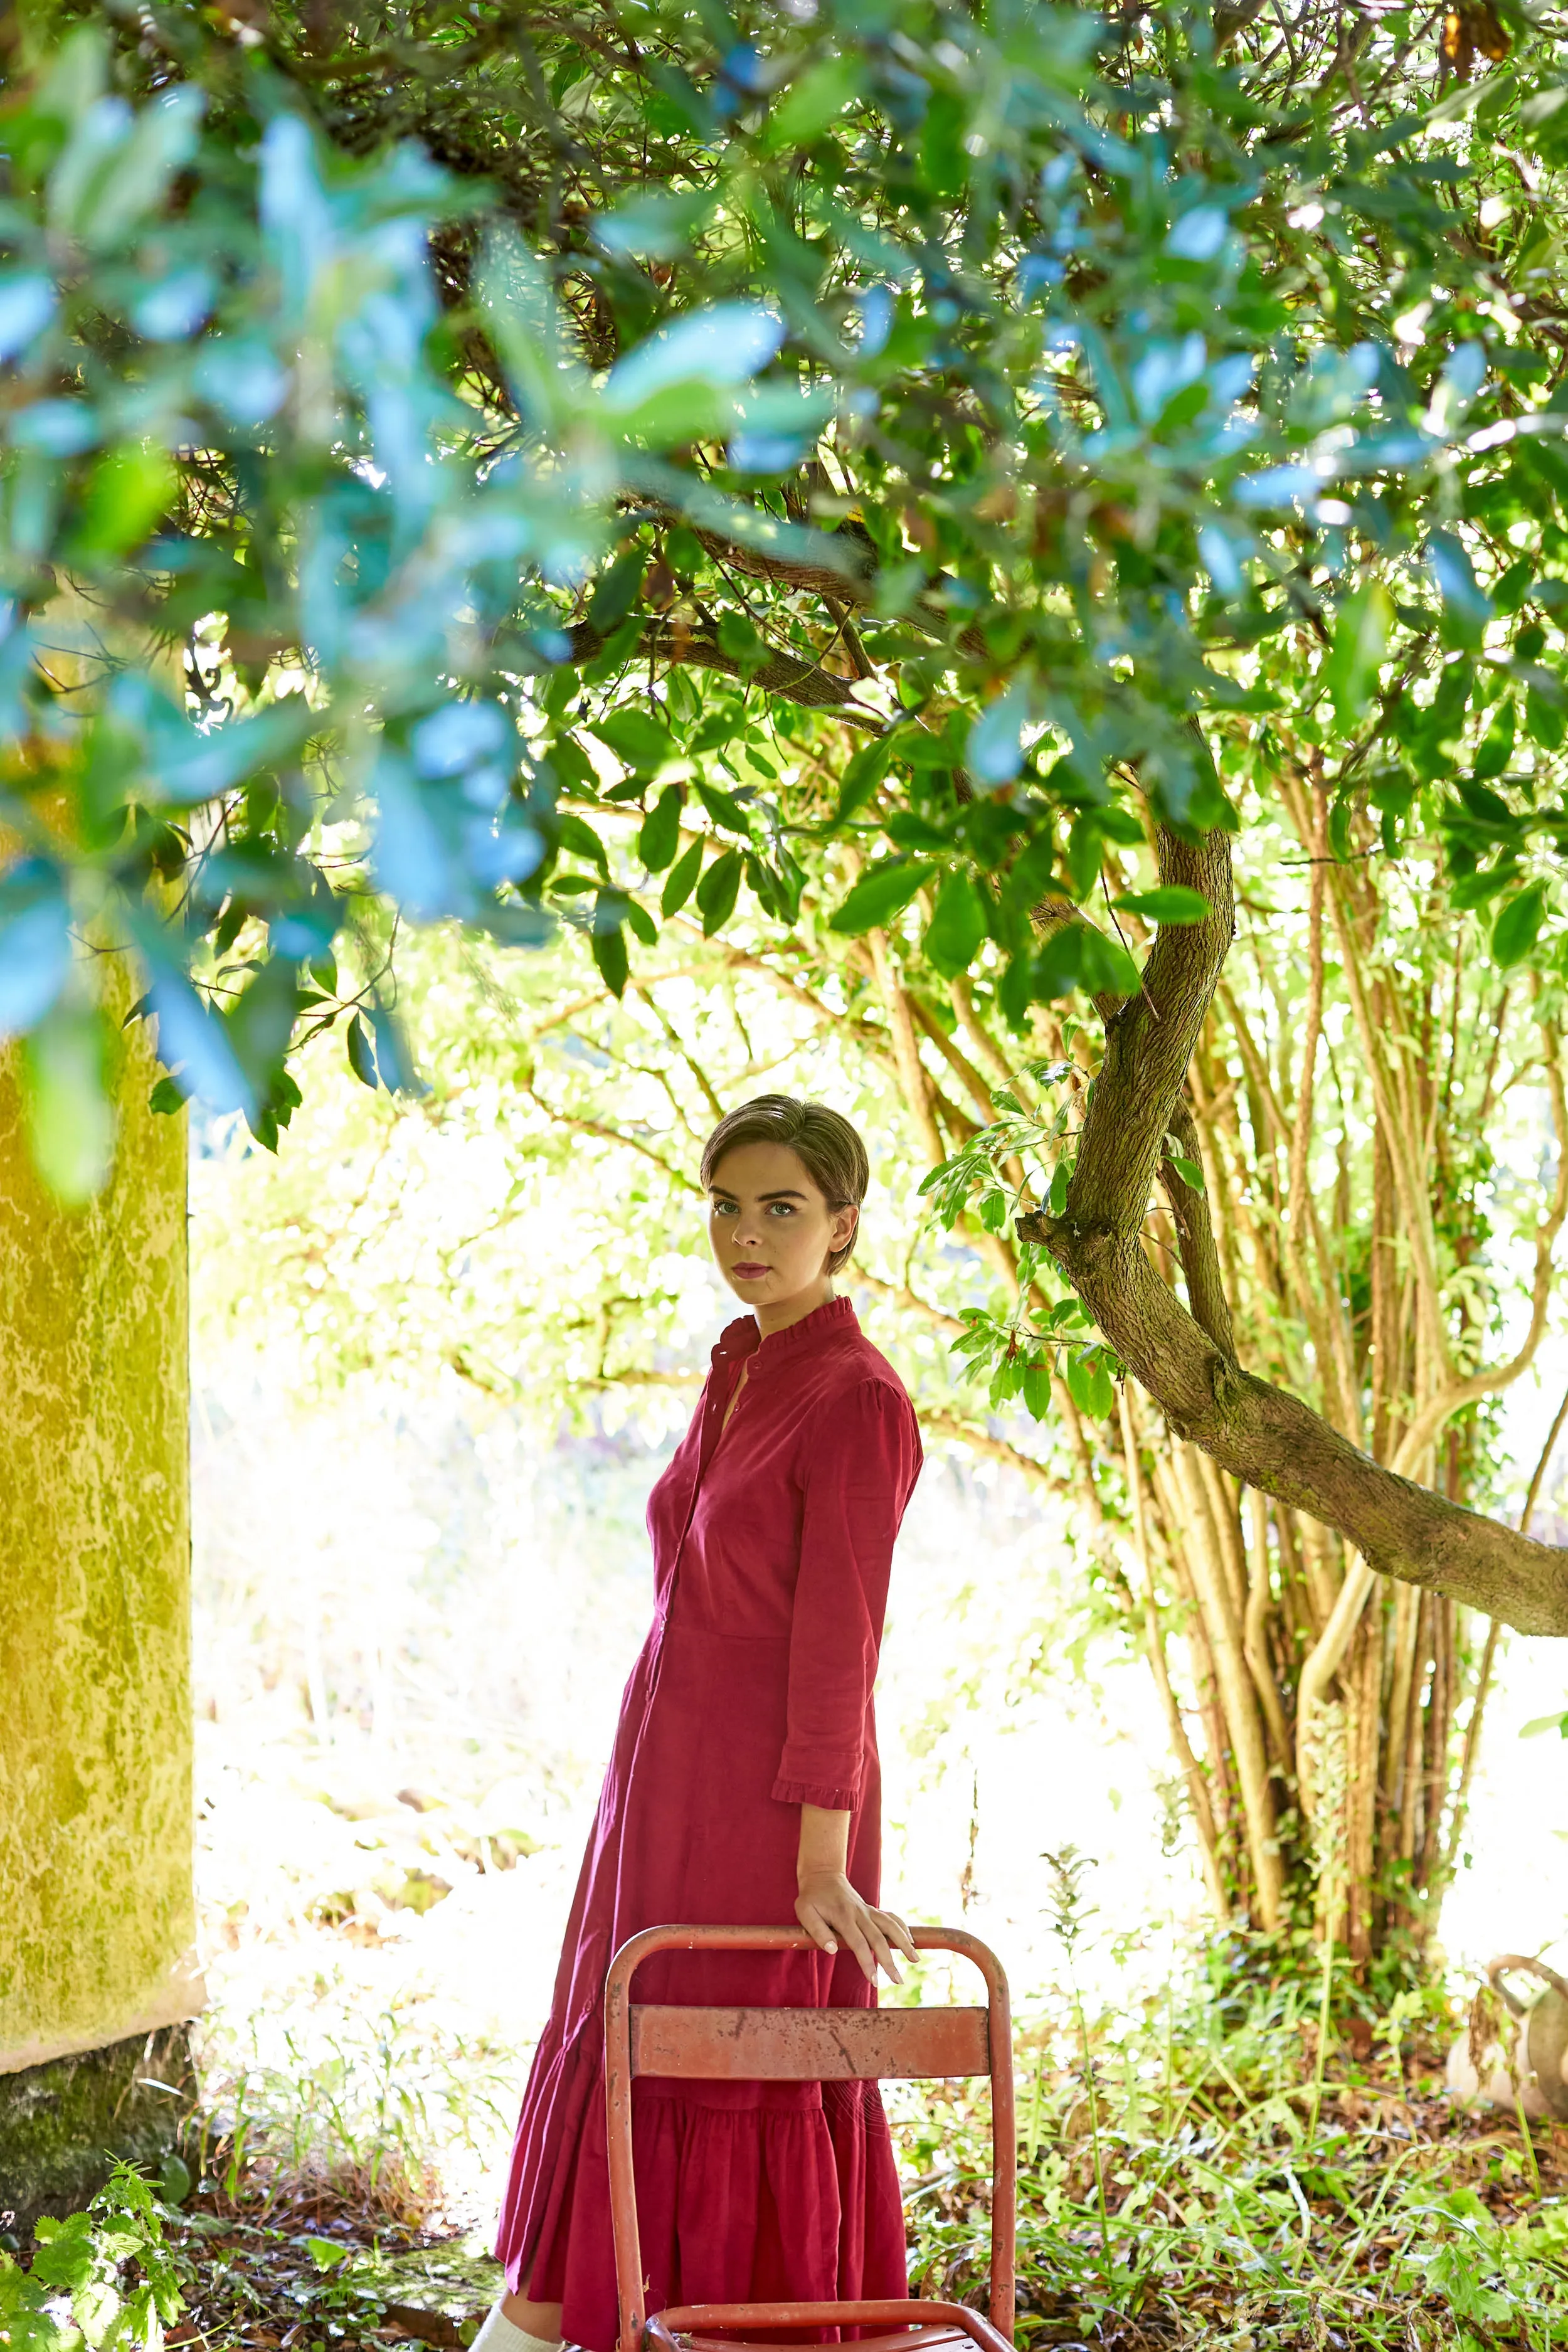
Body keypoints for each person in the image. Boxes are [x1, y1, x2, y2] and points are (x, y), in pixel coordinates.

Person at [475, 1094, 924, 2352]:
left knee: (718, 2060)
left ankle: (699, 2327)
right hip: (659, 1785)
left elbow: (841, 1645)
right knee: (621, 2033)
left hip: (771, 1810)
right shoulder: (741, 1361)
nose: (746, 1234)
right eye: (725, 1205)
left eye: (781, 1209)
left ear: (841, 1224)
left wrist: (821, 1858)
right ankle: (579, 2318)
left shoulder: (854, 1396)